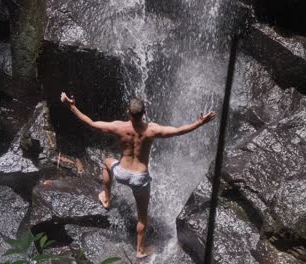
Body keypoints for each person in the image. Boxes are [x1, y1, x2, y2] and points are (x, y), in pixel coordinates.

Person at [60, 92, 216, 258]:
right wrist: (200, 122)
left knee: (107, 162)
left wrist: (72, 106)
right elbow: (178, 131)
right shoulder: (151, 130)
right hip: (139, 179)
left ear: (128, 113)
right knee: (142, 217)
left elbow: (91, 123)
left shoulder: (119, 127)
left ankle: (106, 198)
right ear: (144, 113)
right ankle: (140, 251)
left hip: (121, 173)